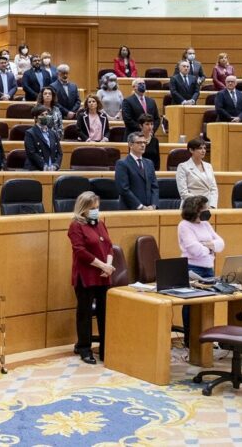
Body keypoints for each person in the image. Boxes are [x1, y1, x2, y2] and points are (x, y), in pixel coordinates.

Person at [68, 191, 113, 364]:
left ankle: (105, 348)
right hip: (86, 276)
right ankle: (84, 348)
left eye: (97, 207)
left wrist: (108, 266)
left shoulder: (100, 223)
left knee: (104, 313)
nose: (96, 210)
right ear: (84, 209)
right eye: (93, 208)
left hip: (103, 275)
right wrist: (102, 266)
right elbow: (80, 251)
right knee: (85, 313)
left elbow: (109, 245)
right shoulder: (76, 226)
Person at [178, 194, 224, 281]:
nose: (208, 210)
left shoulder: (205, 223)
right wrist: (211, 248)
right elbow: (195, 250)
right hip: (192, 269)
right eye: (205, 208)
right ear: (195, 210)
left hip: (209, 268)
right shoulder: (184, 225)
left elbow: (221, 244)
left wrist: (203, 244)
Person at [115, 132, 159, 210]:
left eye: (144, 142)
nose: (143, 145)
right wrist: (140, 207)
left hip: (150, 210)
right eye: (139, 142)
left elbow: (154, 186)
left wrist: (154, 205)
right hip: (130, 210)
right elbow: (123, 189)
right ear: (130, 145)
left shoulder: (149, 163)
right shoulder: (122, 164)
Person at [176, 137, 218, 208]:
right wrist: (201, 204)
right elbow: (184, 193)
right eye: (200, 148)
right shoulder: (183, 167)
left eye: (204, 148)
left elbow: (213, 188)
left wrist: (212, 205)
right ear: (191, 150)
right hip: (191, 207)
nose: (203, 151)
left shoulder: (208, 166)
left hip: (209, 207)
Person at [24, 106, 62, 171]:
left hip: (53, 169)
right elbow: (31, 153)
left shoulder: (53, 133)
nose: (45, 116)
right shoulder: (30, 133)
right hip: (36, 169)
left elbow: (59, 153)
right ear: (35, 118)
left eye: (46, 114)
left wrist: (56, 165)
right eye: (42, 115)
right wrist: (44, 166)